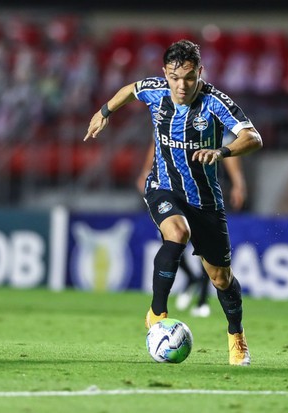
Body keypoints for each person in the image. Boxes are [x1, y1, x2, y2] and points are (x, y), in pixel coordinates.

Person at [85, 39, 262, 366]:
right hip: (162, 187)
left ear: (200, 73)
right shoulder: (155, 89)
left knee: (221, 278)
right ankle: (157, 313)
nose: (181, 85)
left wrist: (221, 152)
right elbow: (128, 89)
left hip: (205, 200)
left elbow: (253, 137)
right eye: (174, 77)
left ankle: (236, 336)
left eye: (189, 78)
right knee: (176, 234)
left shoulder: (215, 102)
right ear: (165, 74)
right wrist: (104, 112)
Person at [136, 137, 248, 318]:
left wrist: (238, 182)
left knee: (208, 254)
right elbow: (156, 139)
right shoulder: (167, 111)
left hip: (201, 193)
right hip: (168, 189)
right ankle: (189, 280)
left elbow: (231, 147)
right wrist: (146, 170)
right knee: (173, 239)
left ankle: (202, 299)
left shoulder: (211, 112)